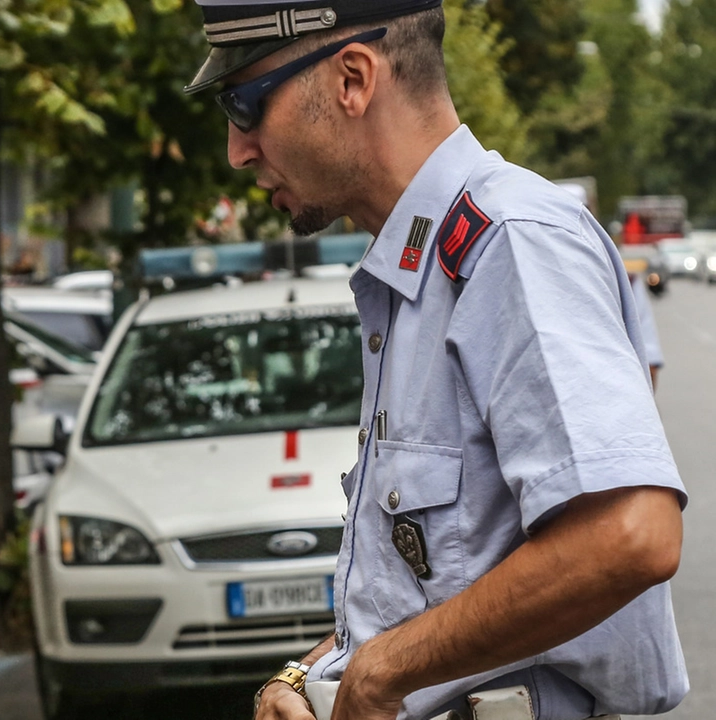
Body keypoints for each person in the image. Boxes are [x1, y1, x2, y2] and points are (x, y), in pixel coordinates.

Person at [183, 2, 688, 719]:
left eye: (244, 104)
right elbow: (448, 580)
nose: (238, 149)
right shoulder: (424, 268)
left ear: (353, 79)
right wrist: (311, 677)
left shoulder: (509, 242)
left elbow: (631, 532)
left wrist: (384, 671)